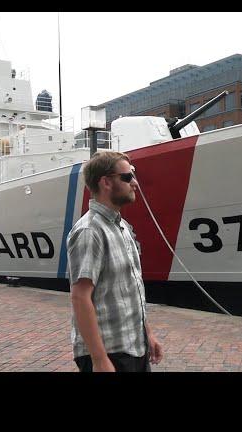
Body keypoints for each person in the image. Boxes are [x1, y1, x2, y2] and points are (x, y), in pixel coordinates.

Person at [67, 151, 163, 372]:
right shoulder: (90, 231)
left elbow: (132, 290)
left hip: (133, 347)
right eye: (128, 177)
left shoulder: (122, 227)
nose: (135, 183)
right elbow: (80, 297)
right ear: (106, 182)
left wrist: (148, 334)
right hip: (110, 353)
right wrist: (99, 360)